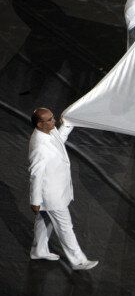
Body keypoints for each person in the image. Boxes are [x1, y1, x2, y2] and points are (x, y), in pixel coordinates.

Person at [28, 108, 98, 270]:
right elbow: (35, 175)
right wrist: (35, 200)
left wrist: (69, 123)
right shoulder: (39, 147)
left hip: (56, 189)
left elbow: (60, 140)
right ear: (40, 124)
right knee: (65, 227)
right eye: (51, 119)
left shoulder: (47, 132)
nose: (55, 121)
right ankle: (79, 261)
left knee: (44, 220)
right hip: (52, 195)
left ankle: (38, 251)